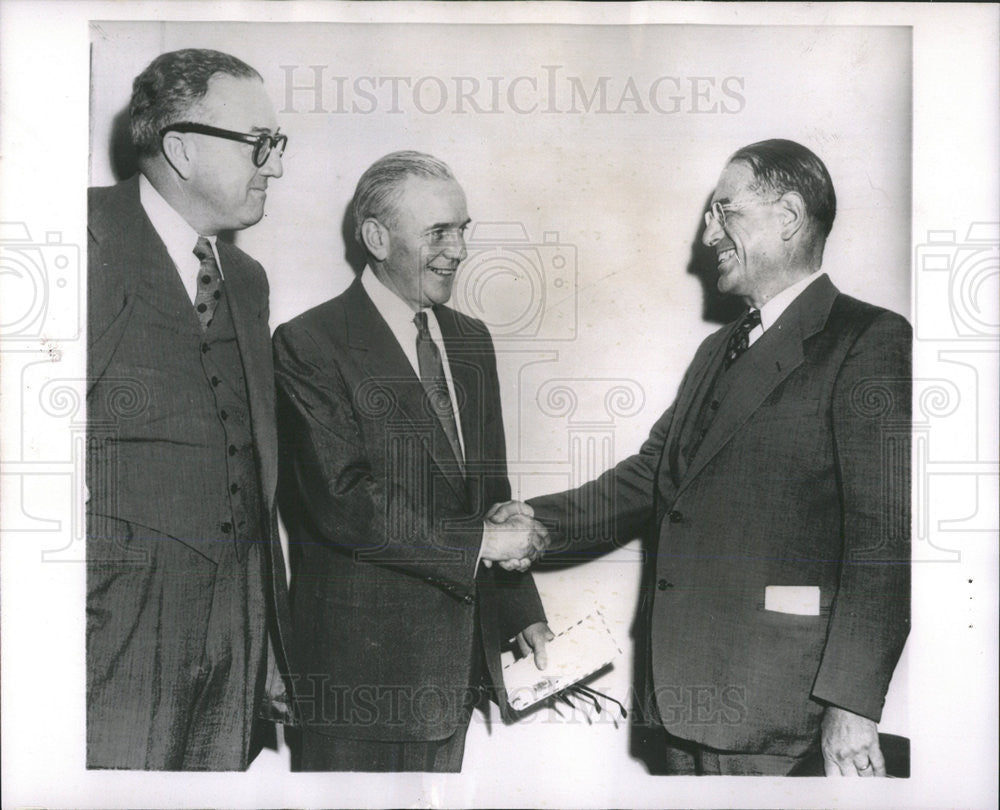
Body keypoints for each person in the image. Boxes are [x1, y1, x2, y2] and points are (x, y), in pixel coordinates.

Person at [493, 139, 911, 776]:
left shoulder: (868, 340)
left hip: (780, 713)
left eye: (724, 211)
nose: (706, 232)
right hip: (681, 701)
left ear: (790, 216)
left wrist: (853, 706)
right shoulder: (719, 349)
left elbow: (883, 541)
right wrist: (534, 522)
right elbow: (649, 477)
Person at [273, 151, 552, 772]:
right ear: (376, 237)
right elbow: (344, 504)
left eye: (463, 229)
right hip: (357, 684)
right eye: (438, 232)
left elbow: (488, 496)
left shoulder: (471, 340)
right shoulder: (308, 343)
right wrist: (487, 538)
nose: (458, 249)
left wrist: (522, 613)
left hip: (454, 676)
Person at [87, 48, 294, 770]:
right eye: (259, 144)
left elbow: (257, 458)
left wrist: (268, 635)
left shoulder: (246, 277)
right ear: (179, 147)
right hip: (114, 621)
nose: (273, 164)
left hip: (237, 622)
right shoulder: (75, 235)